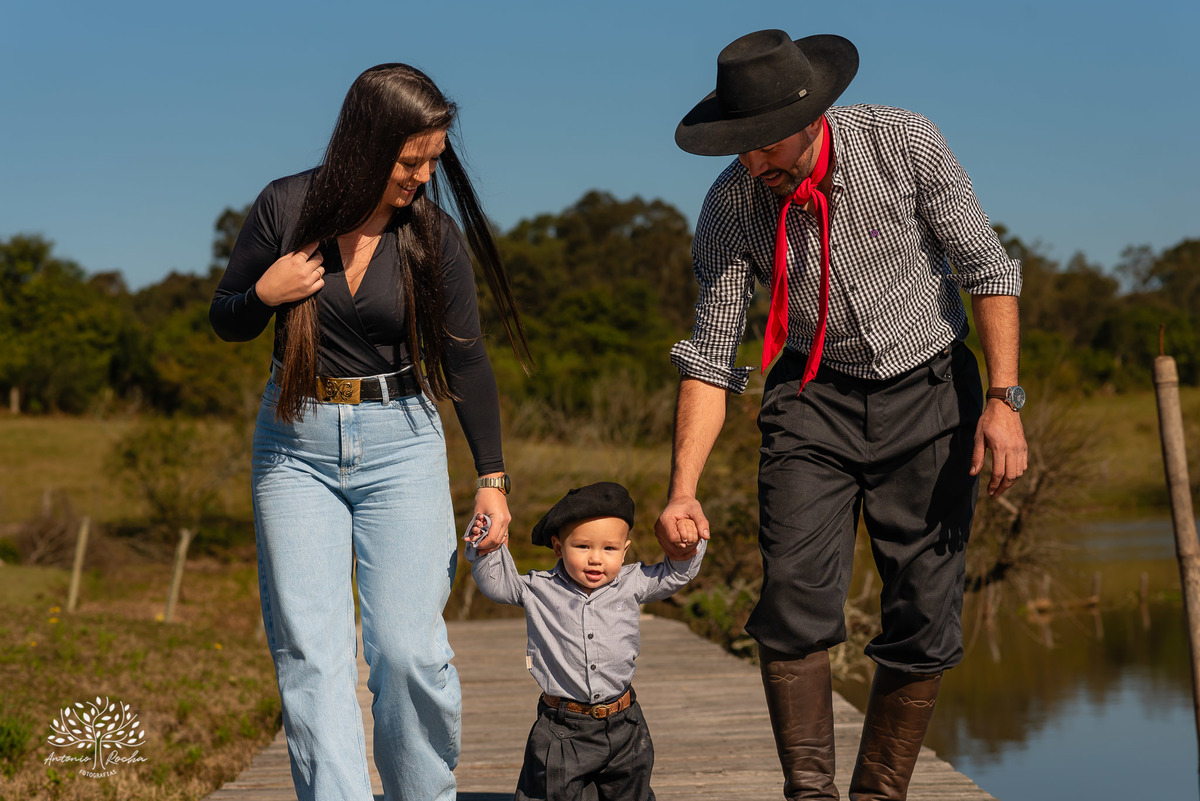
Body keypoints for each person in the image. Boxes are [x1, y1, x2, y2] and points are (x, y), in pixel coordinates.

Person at [656, 30, 1028, 800]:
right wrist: (682, 487)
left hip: (931, 391)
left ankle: (878, 793)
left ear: (810, 115)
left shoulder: (903, 142)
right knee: (792, 595)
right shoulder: (731, 204)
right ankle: (811, 794)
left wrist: (1003, 399)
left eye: (758, 144)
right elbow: (713, 354)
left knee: (925, 611)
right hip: (810, 398)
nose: (749, 160)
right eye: (737, 145)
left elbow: (987, 267)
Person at [210, 63, 529, 801]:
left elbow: (468, 358)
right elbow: (224, 315)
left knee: (410, 652)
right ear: (364, 143)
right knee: (314, 655)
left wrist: (493, 477)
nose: (422, 176)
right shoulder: (283, 207)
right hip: (295, 448)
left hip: (403, 440)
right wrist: (264, 293)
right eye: (409, 161)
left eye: (432, 162)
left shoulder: (433, 235)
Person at [466, 482, 706, 801]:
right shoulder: (540, 589)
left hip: (625, 723)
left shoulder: (633, 582)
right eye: (582, 547)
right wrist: (487, 544)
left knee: (631, 793)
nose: (596, 559)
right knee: (552, 792)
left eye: (609, 549)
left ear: (625, 550)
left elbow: (676, 574)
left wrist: (687, 545)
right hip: (563, 728)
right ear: (558, 547)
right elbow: (497, 585)